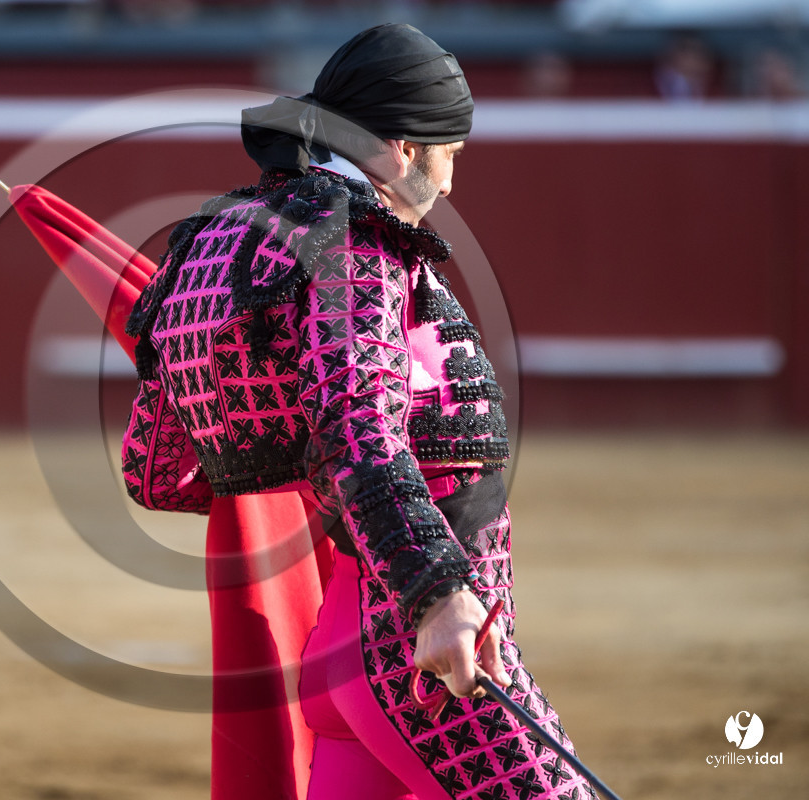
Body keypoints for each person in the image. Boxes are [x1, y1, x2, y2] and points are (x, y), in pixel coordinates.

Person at [121, 23, 596, 799]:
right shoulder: (356, 245)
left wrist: (298, 466)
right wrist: (437, 595)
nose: (451, 183)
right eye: (449, 155)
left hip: (347, 643)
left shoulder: (229, 237)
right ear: (403, 150)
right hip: (419, 653)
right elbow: (358, 430)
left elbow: (156, 472)